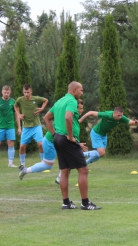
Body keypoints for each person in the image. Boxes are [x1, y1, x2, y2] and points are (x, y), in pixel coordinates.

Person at [43, 81, 101, 210]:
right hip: (66, 139)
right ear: (74, 90)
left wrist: (54, 135)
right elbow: (68, 118)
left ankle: (66, 203)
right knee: (83, 170)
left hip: (58, 138)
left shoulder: (59, 102)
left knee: (64, 171)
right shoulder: (72, 102)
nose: (82, 93)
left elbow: (46, 118)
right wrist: (69, 136)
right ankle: (85, 203)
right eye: (81, 90)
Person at [18, 99, 87, 180]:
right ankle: (25, 171)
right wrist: (78, 145)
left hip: (56, 141)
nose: (81, 110)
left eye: (82, 108)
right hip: (50, 142)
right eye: (80, 108)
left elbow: (76, 125)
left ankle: (59, 179)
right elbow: (67, 137)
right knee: (47, 165)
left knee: (68, 159)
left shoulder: (72, 116)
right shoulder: (68, 118)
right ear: (74, 108)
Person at [14, 84, 48, 167]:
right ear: (23, 92)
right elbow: (15, 106)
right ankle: (22, 164)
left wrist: (42, 108)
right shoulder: (20, 100)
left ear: (31, 92)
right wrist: (18, 114)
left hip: (36, 126)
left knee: (40, 144)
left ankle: (43, 162)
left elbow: (46, 100)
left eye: (28, 92)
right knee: (22, 146)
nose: (26, 94)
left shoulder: (35, 99)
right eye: (25, 92)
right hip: (26, 127)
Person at [0, 85, 21, 168]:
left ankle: (10, 163)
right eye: (5, 92)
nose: (6, 94)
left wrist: (19, 127)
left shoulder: (13, 102)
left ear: (10, 93)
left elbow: (17, 115)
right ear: (2, 92)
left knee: (11, 144)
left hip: (10, 126)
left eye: (8, 92)